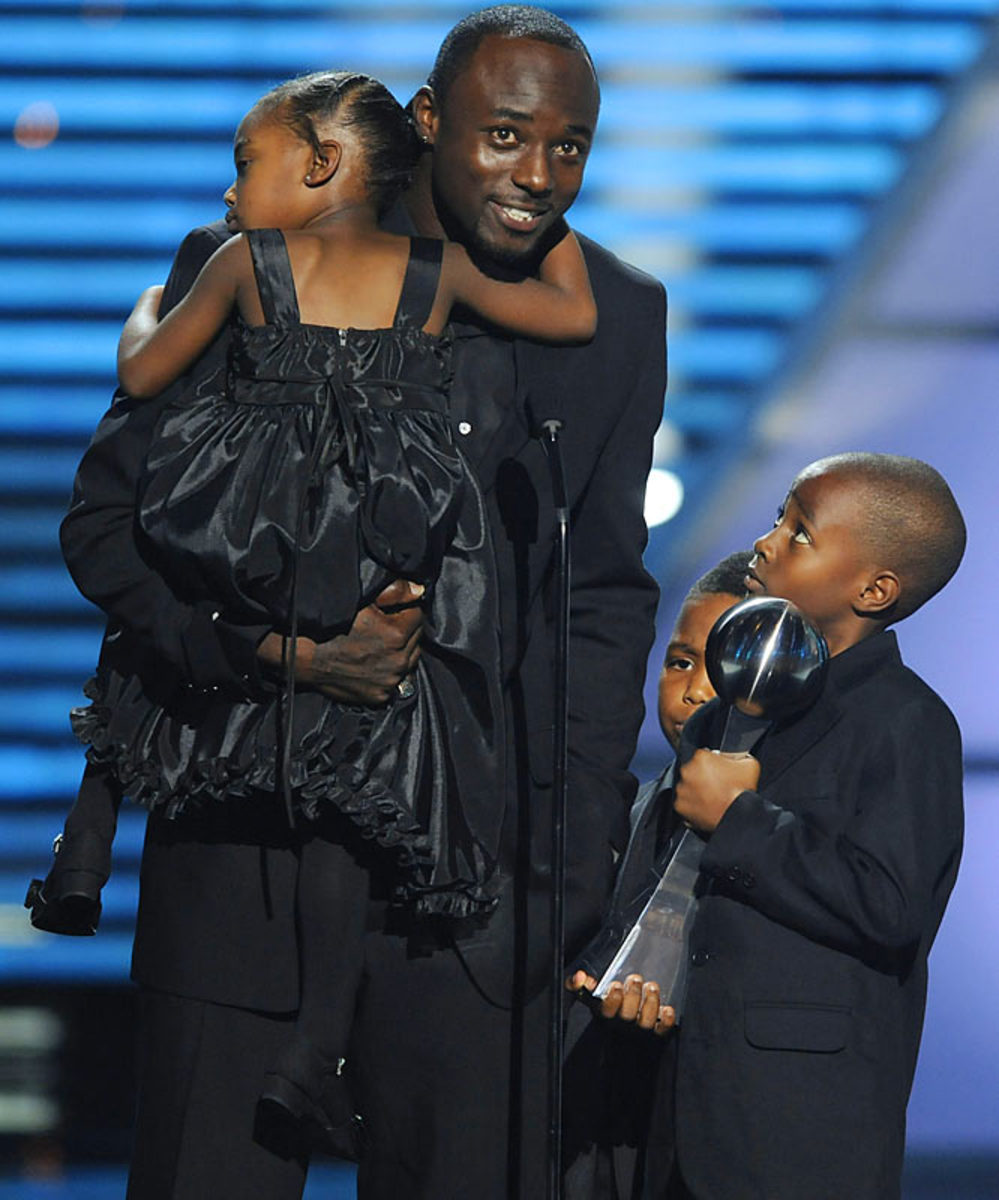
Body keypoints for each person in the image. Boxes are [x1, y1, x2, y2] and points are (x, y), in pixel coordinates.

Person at [49, 7, 666, 1198]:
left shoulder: (618, 315)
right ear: (428, 124)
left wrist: (574, 858)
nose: (536, 177)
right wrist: (267, 652)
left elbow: (601, 595)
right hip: (245, 865)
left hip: (482, 903)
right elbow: (103, 534)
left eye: (569, 147)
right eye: (502, 137)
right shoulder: (257, 264)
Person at [582, 453, 966, 1200]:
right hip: (679, 1110)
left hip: (799, 1129)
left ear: (874, 588)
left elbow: (889, 905)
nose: (764, 542)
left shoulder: (906, 722)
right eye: (776, 520)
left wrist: (742, 821)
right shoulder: (723, 713)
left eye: (798, 533)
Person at [563, 551, 751, 1200]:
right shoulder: (628, 811)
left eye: (722, 665)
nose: (696, 689)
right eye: (679, 662)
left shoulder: (776, 829)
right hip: (601, 1134)